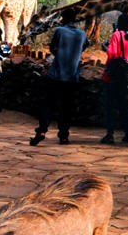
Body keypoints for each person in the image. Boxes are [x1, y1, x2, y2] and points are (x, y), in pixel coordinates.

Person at [30, 9, 88, 146]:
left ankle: (42, 131)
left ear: (63, 18)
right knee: (67, 107)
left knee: (48, 104)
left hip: (56, 75)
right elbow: (84, 47)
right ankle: (63, 136)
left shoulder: (60, 31)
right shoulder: (82, 34)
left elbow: (53, 49)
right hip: (72, 77)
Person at [100, 13, 128, 145]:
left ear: (119, 23)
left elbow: (112, 54)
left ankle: (110, 135)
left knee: (109, 107)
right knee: (123, 106)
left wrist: (105, 47)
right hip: (125, 77)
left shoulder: (116, 35)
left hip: (112, 77)